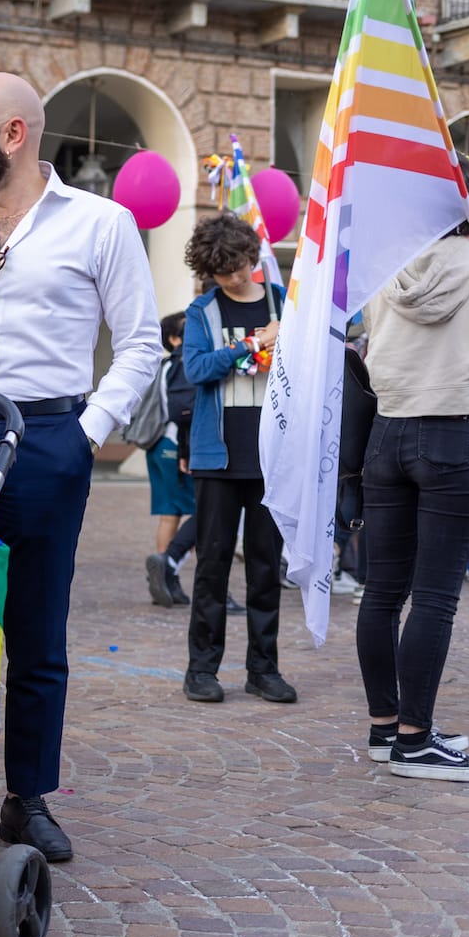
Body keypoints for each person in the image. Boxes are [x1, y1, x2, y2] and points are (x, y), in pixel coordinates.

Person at [0, 72, 160, 863]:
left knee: (37, 632)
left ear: (13, 135)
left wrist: (85, 433)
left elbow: (142, 342)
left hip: (49, 439)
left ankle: (28, 797)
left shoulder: (102, 224)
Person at [357, 164, 469, 778]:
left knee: (382, 590)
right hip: (453, 432)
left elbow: (372, 363)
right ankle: (414, 738)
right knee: (434, 596)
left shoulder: (383, 271)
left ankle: (385, 727)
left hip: (388, 431)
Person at [180, 213, 296, 707]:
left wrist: (284, 337)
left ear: (253, 255)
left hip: (271, 455)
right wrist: (250, 344)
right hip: (218, 457)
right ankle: (201, 669)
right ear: (210, 270)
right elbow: (195, 368)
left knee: (267, 567)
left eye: (242, 264)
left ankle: (263, 669)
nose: (236, 276)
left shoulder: (282, 300)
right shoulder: (201, 311)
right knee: (213, 564)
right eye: (224, 270)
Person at [143, 311, 195, 607]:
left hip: (161, 444)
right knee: (200, 511)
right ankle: (167, 570)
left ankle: (165, 573)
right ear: (174, 339)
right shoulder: (181, 364)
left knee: (170, 512)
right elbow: (182, 410)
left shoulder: (164, 365)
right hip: (175, 445)